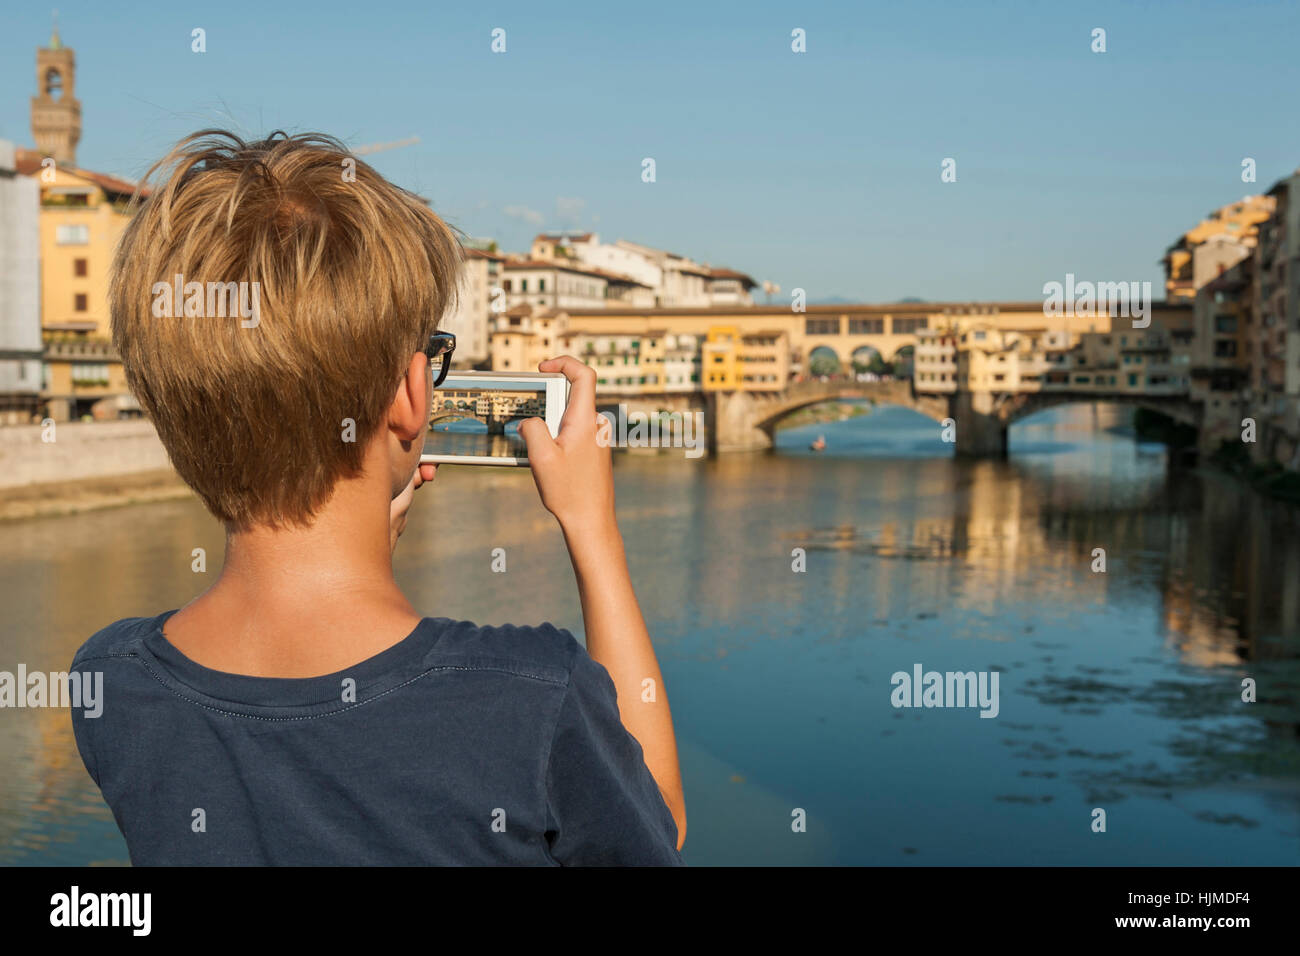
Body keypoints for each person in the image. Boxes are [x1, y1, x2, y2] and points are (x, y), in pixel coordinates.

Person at [68, 130, 685, 865]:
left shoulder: (110, 677)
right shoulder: (534, 697)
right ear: (411, 394)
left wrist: (353, 553)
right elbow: (657, 824)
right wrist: (594, 534)